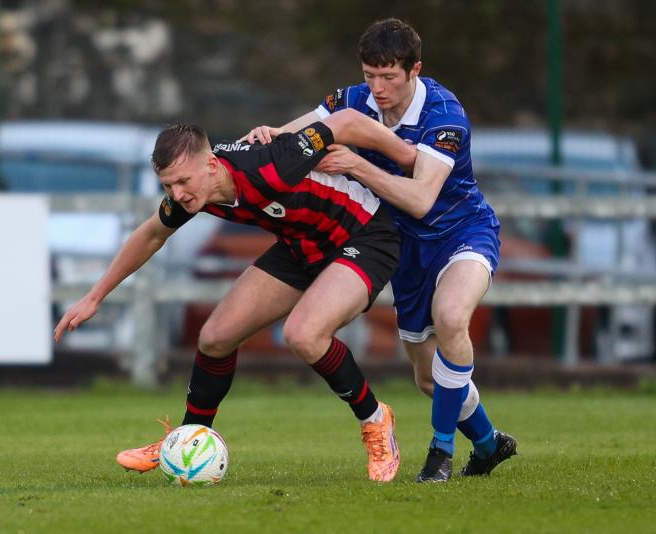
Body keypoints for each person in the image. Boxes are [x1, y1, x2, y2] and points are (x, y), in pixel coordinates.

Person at [54, 108, 418, 482]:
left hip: (364, 236)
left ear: (211, 165)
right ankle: (186, 440)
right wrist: (94, 297)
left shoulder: (270, 162)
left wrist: (407, 156)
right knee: (215, 337)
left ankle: (376, 420)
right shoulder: (192, 193)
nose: (176, 194)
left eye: (182, 181)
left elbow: (348, 121)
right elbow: (150, 235)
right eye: (167, 186)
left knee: (304, 334)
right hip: (300, 246)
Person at [241, 18, 517, 482]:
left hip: (460, 231)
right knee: (429, 379)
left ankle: (440, 453)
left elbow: (420, 198)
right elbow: (294, 140)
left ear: (415, 71)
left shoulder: (444, 115)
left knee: (452, 316)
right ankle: (488, 443)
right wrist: (266, 140)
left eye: (389, 76)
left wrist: (354, 164)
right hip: (404, 250)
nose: (378, 87)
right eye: (371, 75)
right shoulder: (351, 102)